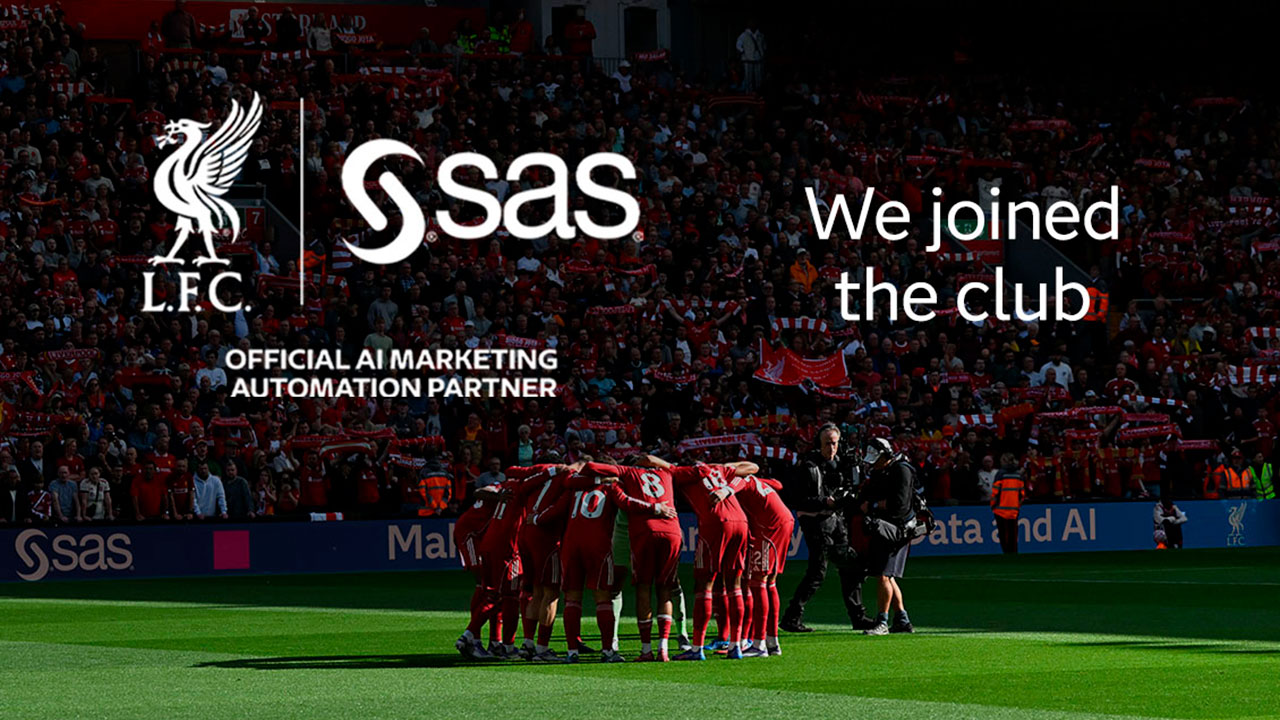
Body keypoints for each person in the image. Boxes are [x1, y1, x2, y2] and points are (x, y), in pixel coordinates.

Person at [530, 470, 675, 663]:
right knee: (603, 598)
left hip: (571, 546)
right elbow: (627, 503)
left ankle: (572, 652)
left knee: (572, 599)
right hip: (598, 546)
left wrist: (536, 519)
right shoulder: (611, 486)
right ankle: (607, 651)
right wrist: (655, 508)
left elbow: (556, 510)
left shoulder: (574, 488)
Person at [586, 456, 684, 661]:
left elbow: (593, 469)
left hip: (642, 530)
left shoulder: (628, 475)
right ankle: (665, 645)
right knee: (665, 587)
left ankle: (650, 647)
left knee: (644, 587)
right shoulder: (667, 472)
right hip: (665, 528)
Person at [782, 424, 874, 632]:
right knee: (817, 572)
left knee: (849, 567)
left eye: (834, 443)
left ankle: (858, 616)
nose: (831, 448)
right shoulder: (808, 466)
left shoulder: (841, 463)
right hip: (816, 521)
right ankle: (791, 617)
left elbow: (851, 489)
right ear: (819, 444)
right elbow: (798, 500)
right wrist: (825, 501)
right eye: (827, 444)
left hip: (836, 519)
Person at [669, 460, 758, 660]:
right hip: (741, 522)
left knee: (704, 585)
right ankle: (735, 646)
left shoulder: (684, 474)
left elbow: (660, 465)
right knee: (735, 584)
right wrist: (723, 478)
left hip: (715, 523)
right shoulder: (719, 470)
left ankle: (696, 648)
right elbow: (752, 468)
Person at [727, 474, 793, 657]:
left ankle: (759, 644)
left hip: (769, 527)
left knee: (757, 582)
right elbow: (778, 483)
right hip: (783, 521)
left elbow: (737, 484)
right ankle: (772, 642)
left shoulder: (738, 480)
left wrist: (726, 490)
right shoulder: (754, 480)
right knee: (770, 582)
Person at [858, 438, 918, 635]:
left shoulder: (901, 470)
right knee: (886, 575)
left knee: (884, 575)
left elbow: (899, 505)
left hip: (897, 530)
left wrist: (874, 505)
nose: (873, 464)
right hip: (883, 527)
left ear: (885, 456)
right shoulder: (881, 471)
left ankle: (882, 621)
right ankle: (902, 619)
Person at [990, 454, 1025, 554]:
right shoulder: (1018, 475)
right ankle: (1014, 553)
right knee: (1013, 534)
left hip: (1000, 510)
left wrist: (993, 505)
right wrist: (1017, 506)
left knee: (1003, 534)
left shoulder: (1000, 474)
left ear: (1005, 461)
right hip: (1013, 510)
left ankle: (1006, 553)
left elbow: (995, 492)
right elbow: (1022, 494)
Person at [734, 21, 766, 91]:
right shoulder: (743, 35)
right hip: (748, 59)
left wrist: (762, 54)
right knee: (748, 78)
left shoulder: (760, 35)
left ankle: (758, 91)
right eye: (751, 23)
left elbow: (763, 46)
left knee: (759, 77)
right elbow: (738, 46)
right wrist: (744, 52)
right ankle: (749, 92)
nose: (753, 24)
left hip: (758, 59)